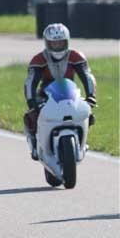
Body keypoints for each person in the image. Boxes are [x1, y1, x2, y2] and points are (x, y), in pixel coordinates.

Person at [23, 23, 97, 160]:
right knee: (30, 117)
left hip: (70, 93)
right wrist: (31, 101)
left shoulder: (76, 56)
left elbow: (87, 76)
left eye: (60, 42)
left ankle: (83, 142)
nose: (57, 46)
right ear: (47, 43)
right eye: (54, 43)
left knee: (89, 115)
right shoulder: (39, 59)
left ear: (67, 41)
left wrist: (91, 96)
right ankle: (34, 144)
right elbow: (30, 82)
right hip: (45, 95)